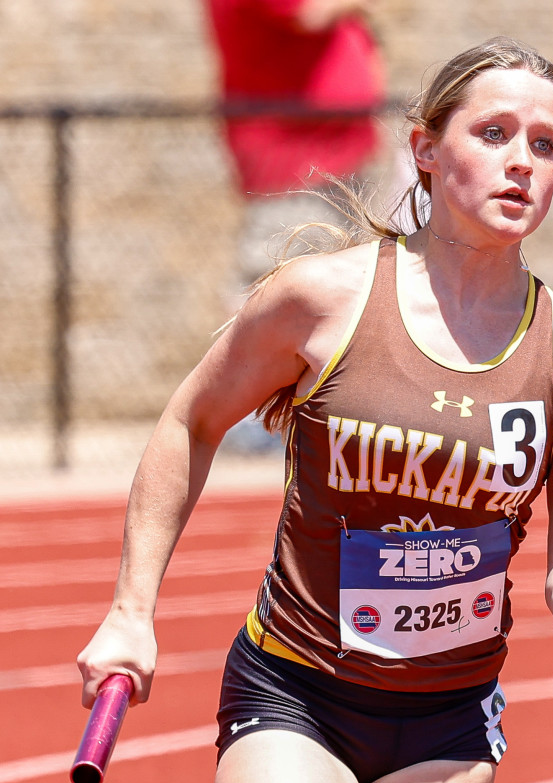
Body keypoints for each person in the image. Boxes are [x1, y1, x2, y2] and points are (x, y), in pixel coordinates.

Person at [77, 36, 553, 783]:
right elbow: (192, 421)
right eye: (494, 133)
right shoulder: (320, 302)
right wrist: (130, 611)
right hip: (296, 694)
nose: (522, 161)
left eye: (545, 146)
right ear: (425, 150)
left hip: (448, 724)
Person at [204, 0, 390, 454]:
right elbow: (308, 12)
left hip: (334, 155)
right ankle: (247, 414)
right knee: (273, 280)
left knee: (345, 284)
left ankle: (317, 410)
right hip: (291, 157)